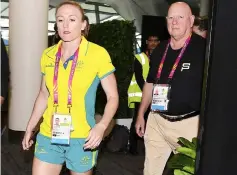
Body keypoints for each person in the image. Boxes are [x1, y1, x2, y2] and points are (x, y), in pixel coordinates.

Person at [22, 1, 119, 175]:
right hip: (48, 134)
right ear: (56, 24)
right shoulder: (48, 55)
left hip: (82, 138)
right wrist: (30, 126)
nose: (65, 25)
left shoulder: (97, 54)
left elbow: (113, 96)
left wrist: (102, 125)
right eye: (60, 20)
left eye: (72, 19)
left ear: (83, 24)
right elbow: (44, 94)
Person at [135, 2, 206, 175]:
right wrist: (141, 114)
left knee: (186, 172)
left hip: (188, 126)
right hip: (157, 122)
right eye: (171, 17)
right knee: (150, 170)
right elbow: (150, 83)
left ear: (191, 21)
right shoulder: (160, 48)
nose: (174, 21)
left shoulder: (203, 49)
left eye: (180, 17)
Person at [127, 47, 150, 155]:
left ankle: (148, 148)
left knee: (151, 122)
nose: (153, 43)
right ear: (147, 43)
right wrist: (146, 93)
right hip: (139, 95)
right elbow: (139, 77)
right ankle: (132, 148)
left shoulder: (159, 57)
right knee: (138, 119)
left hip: (153, 95)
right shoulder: (140, 57)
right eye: (151, 40)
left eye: (156, 40)